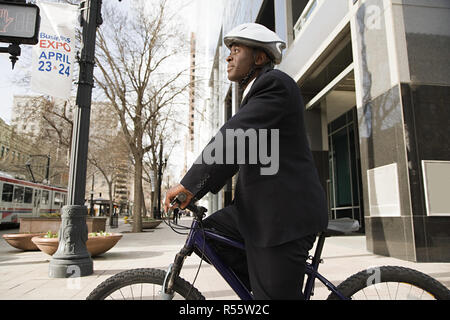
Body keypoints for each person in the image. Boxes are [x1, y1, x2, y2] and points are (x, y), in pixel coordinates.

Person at [164, 23, 328, 300]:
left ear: (260, 58)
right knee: (208, 233)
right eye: (229, 51)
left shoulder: (274, 85)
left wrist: (188, 184)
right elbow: (234, 155)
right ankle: (268, 281)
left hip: (284, 217)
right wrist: (196, 189)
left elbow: (234, 137)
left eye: (236, 50)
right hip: (257, 213)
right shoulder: (256, 96)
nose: (228, 57)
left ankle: (276, 286)